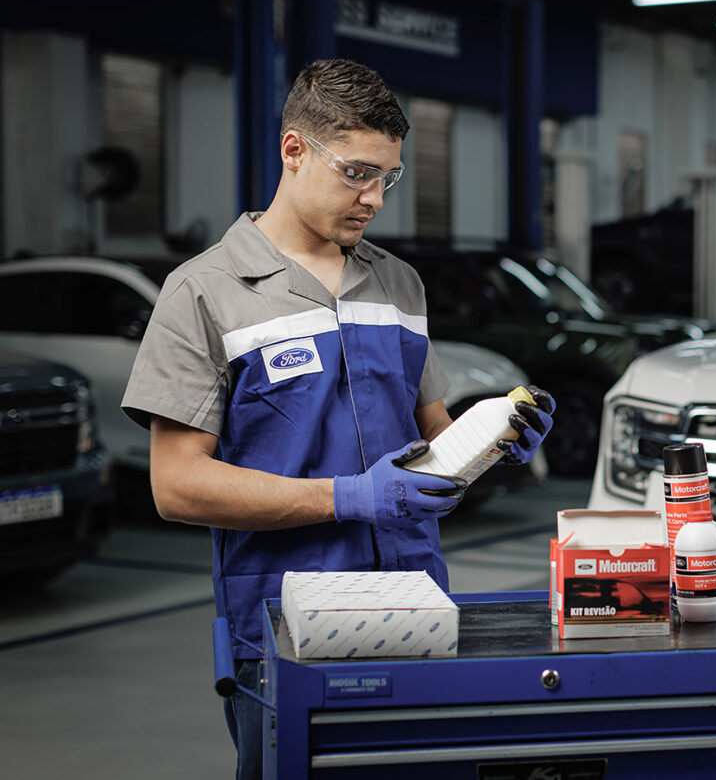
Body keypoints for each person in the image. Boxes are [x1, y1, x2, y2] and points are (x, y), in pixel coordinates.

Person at [120, 57, 554, 779]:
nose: (374, 198)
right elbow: (176, 485)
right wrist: (350, 497)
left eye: (389, 177)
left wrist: (492, 442)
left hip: (417, 607)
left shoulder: (398, 284)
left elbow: (436, 442)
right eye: (357, 173)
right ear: (294, 150)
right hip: (286, 626)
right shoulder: (205, 292)